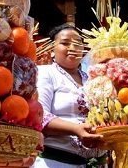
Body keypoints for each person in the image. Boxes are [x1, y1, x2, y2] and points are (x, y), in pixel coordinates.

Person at [34, 23, 106, 168]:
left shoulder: (93, 79)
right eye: (65, 43)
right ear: (52, 50)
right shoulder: (45, 73)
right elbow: (39, 115)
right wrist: (75, 129)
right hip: (55, 162)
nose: (73, 48)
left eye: (78, 44)